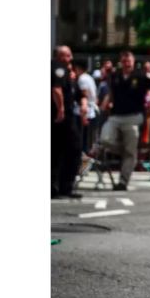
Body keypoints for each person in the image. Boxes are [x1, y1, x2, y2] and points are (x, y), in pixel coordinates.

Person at [99, 50, 150, 191]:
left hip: (133, 117)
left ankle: (123, 181)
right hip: (115, 116)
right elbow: (111, 91)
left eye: (129, 61)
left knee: (131, 151)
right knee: (105, 139)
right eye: (124, 61)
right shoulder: (115, 75)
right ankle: (126, 152)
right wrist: (107, 103)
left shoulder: (141, 76)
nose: (126, 64)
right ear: (121, 62)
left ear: (133, 62)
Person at [51, 45, 84, 199]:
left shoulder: (67, 73)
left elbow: (78, 93)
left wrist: (83, 103)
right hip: (62, 118)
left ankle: (56, 187)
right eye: (66, 55)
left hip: (63, 117)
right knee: (73, 150)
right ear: (58, 56)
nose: (70, 58)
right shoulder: (58, 68)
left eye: (70, 55)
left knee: (56, 152)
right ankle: (64, 187)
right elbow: (56, 90)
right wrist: (61, 109)